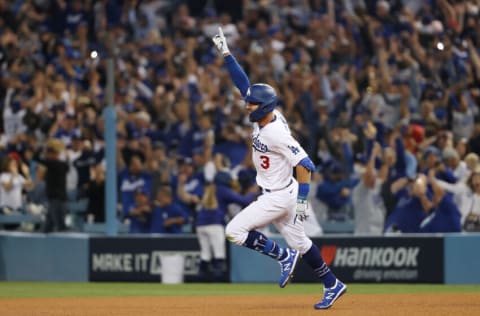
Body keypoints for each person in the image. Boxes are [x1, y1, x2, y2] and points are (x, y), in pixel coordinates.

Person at [212, 27, 346, 309]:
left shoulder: (275, 133)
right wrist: (226, 53)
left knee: (234, 231)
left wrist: (300, 202)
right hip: (281, 190)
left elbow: (306, 164)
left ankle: (282, 257)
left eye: (252, 104)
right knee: (302, 244)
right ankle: (332, 284)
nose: (247, 105)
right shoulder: (268, 115)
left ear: (263, 107)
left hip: (279, 196)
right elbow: (243, 83)